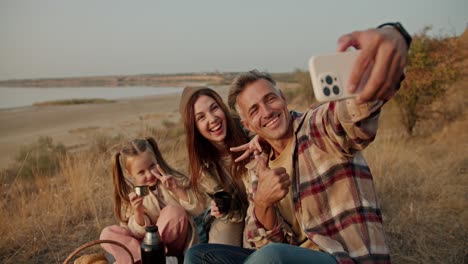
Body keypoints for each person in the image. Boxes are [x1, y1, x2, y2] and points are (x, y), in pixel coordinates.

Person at [184, 23, 411, 263]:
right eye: (254, 110)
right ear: (248, 124)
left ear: (283, 98)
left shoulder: (316, 127)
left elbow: (351, 115)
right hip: (290, 255)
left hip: (344, 257)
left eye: (270, 99)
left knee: (271, 256)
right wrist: (262, 202)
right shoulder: (258, 166)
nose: (267, 111)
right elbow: (259, 242)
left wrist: (392, 37)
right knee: (198, 256)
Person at [100, 137, 205, 264]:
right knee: (107, 233)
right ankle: (144, 259)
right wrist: (138, 212)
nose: (149, 175)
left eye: (152, 166)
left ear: (157, 160)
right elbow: (135, 233)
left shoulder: (174, 180)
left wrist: (176, 189)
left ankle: (154, 258)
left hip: (175, 245)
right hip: (143, 248)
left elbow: (199, 209)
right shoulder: (130, 198)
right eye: (141, 172)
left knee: (173, 211)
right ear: (130, 174)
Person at [179, 86, 257, 246]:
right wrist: (219, 208)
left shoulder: (248, 132)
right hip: (234, 214)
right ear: (195, 128)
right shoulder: (203, 165)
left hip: (262, 205)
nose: (212, 119)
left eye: (214, 108)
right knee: (219, 249)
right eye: (201, 117)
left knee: (254, 244)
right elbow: (232, 211)